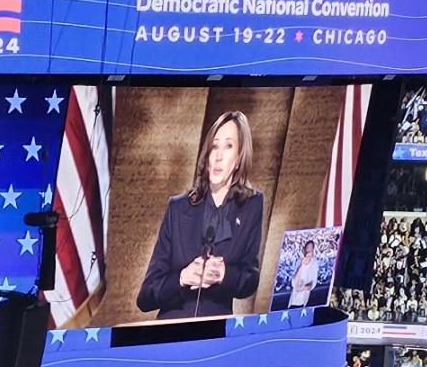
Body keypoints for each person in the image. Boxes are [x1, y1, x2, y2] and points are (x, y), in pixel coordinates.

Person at [137, 110, 265, 321]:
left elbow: (249, 279)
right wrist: (182, 278)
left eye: (228, 146)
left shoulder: (251, 205)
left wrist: (225, 274)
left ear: (240, 157)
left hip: (214, 333)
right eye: (214, 146)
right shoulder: (178, 208)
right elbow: (146, 296)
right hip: (172, 330)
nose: (219, 156)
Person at [289, 238, 320, 308]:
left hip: (304, 302)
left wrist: (305, 287)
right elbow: (293, 283)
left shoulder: (314, 264)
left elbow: (313, 283)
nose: (308, 252)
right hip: (293, 300)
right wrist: (302, 265)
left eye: (310, 250)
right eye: (307, 250)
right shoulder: (299, 261)